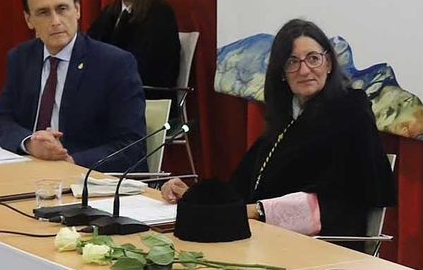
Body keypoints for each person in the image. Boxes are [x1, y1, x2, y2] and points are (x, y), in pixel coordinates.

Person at [159, 18, 395, 237]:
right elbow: (241, 186)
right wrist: (193, 195)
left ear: (329, 64)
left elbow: (341, 198)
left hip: (323, 246)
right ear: (281, 72)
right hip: (266, 236)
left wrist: (258, 211)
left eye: (313, 58)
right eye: (292, 62)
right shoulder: (286, 119)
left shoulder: (351, 110)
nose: (304, 70)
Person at [0, 0, 147, 172]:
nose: (55, 21)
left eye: (62, 9)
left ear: (77, 10)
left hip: (84, 175)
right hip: (31, 168)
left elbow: (132, 146)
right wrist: (30, 143)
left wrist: (70, 161)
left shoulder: (115, 64)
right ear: (29, 20)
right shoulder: (21, 57)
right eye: (43, 12)